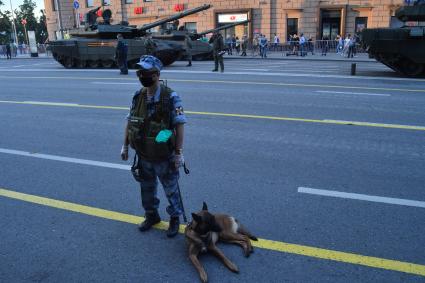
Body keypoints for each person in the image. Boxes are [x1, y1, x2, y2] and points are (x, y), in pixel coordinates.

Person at [120, 55, 187, 238]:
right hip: (143, 154)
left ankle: (174, 219)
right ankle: (152, 215)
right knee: (147, 189)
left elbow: (179, 125)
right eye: (140, 72)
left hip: (163, 155)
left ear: (157, 74)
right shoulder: (138, 96)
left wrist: (178, 153)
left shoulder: (170, 96)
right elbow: (130, 121)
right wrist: (125, 146)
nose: (142, 75)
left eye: (146, 72)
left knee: (171, 189)